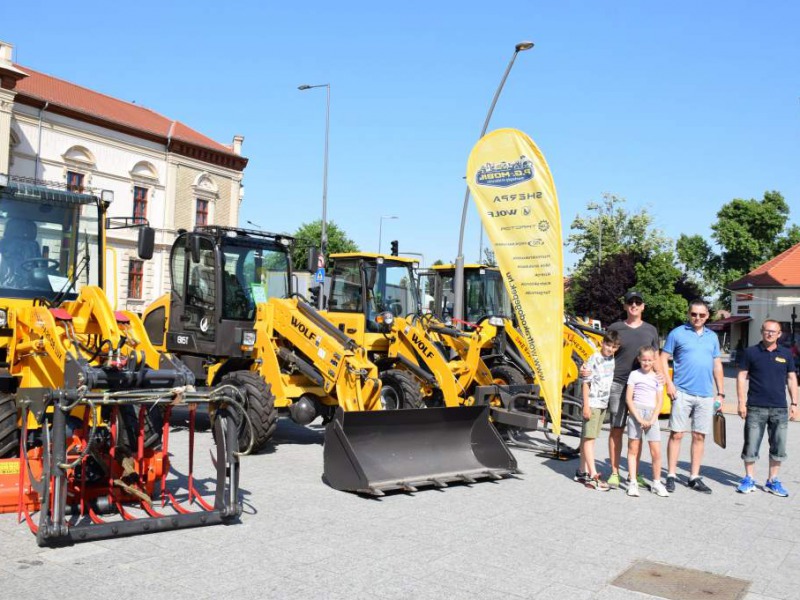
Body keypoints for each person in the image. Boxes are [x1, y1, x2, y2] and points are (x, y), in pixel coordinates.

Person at [582, 290, 661, 489]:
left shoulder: (651, 330)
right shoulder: (617, 327)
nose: (634, 305)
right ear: (625, 306)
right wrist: (586, 368)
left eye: (638, 302)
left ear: (643, 306)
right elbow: (604, 351)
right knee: (617, 429)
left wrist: (663, 380)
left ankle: (634, 474)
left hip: (641, 387)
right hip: (617, 385)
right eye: (630, 302)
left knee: (638, 431)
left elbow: (656, 357)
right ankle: (615, 472)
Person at [662, 299, 724, 494]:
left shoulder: (712, 337)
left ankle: (694, 476)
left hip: (705, 394)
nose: (697, 318)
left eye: (702, 315)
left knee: (699, 436)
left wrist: (720, 392)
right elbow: (663, 358)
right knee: (677, 434)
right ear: (689, 314)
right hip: (682, 392)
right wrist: (669, 383)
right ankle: (671, 474)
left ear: (707, 316)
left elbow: (717, 365)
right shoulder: (677, 333)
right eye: (694, 314)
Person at [735, 320, 799, 496]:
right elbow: (741, 377)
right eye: (766, 331)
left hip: (780, 408)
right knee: (751, 445)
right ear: (762, 332)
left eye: (774, 331)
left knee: (779, 446)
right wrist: (741, 402)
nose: (769, 334)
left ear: (779, 334)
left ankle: (772, 481)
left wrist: (794, 403)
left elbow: (792, 379)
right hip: (755, 407)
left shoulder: (786, 354)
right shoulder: (750, 352)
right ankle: (749, 479)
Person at [574, 330, 621, 490]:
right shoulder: (594, 358)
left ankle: (581, 471)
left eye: (614, 347)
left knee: (587, 436)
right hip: (593, 403)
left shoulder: (611, 358)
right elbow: (585, 382)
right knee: (590, 439)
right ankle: (593, 475)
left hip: (603, 403)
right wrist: (586, 405)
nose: (610, 349)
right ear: (602, 342)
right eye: (608, 345)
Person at [625, 346, 668, 497]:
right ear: (639, 359)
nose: (646, 362)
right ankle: (632, 482)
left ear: (654, 360)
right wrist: (638, 418)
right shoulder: (634, 375)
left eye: (650, 360)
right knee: (633, 449)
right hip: (636, 412)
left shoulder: (658, 377)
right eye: (644, 360)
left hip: (652, 415)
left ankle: (657, 482)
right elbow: (629, 398)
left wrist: (652, 418)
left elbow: (660, 400)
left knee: (656, 451)